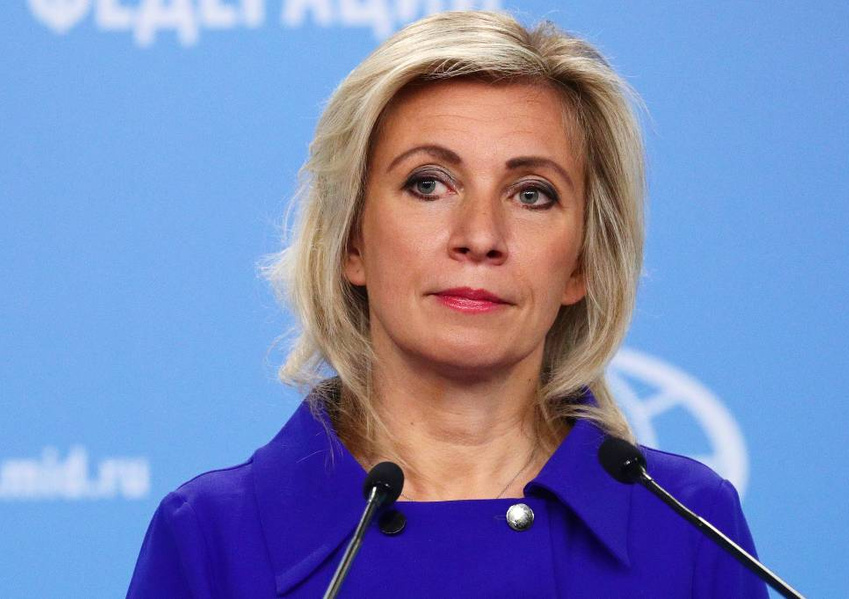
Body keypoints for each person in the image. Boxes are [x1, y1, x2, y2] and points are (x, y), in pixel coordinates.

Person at [127, 10, 767, 598]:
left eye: (532, 194)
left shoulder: (689, 526)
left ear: (582, 262)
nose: (480, 236)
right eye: (428, 184)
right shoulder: (213, 536)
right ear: (351, 241)